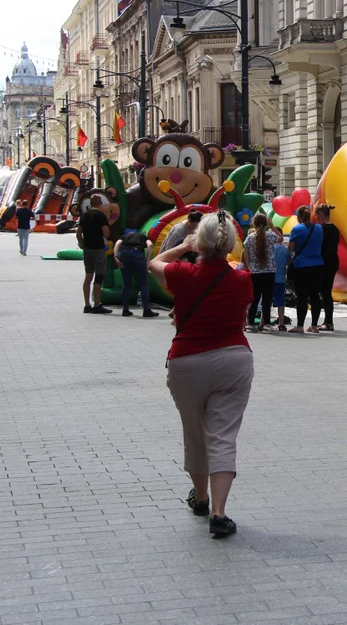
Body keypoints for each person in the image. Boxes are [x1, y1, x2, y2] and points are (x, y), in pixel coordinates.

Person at [147, 211, 254, 538]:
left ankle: (201, 498)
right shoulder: (242, 278)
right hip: (234, 359)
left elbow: (153, 264)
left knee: (195, 432)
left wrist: (183, 246)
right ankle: (219, 514)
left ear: (201, 243)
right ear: (230, 244)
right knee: (222, 435)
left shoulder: (183, 274)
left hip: (187, 361)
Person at [287, 205, 324, 333]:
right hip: (317, 264)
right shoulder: (319, 228)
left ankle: (300, 326)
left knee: (302, 296)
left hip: (301, 265)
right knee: (315, 296)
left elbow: (291, 248)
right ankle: (314, 325)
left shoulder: (296, 229)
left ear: (300, 216)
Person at [241, 212, 280, 332]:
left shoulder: (250, 237)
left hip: (255, 273)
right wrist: (272, 226)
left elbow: (245, 255)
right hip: (269, 272)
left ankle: (250, 323)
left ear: (255, 223)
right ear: (265, 223)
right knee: (267, 299)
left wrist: (248, 267)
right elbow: (281, 238)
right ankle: (266, 323)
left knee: (254, 298)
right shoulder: (271, 236)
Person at [77, 194, 112, 314]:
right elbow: (106, 233)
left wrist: (82, 244)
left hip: (87, 249)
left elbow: (78, 234)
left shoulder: (84, 216)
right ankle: (97, 305)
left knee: (88, 276)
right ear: (100, 203)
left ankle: (87, 305)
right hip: (98, 249)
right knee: (99, 277)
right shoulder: (101, 216)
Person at [114, 229, 158, 318]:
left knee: (126, 284)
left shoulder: (124, 236)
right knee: (144, 283)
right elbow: (150, 245)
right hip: (137, 254)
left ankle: (125, 310)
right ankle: (146, 310)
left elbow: (117, 244)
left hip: (124, 255)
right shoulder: (142, 236)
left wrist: (116, 257)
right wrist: (147, 260)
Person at [313, 204, 340, 332]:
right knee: (327, 292)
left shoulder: (320, 229)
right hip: (333, 262)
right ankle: (328, 321)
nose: (316, 218)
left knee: (324, 293)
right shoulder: (335, 229)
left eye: (317, 215)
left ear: (321, 214)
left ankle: (328, 322)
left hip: (323, 263)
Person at [272, 232, 290, 332]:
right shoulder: (285, 249)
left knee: (267, 301)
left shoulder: (271, 248)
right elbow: (289, 260)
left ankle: (264, 322)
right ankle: (281, 323)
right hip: (281, 278)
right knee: (281, 302)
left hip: (271, 277)